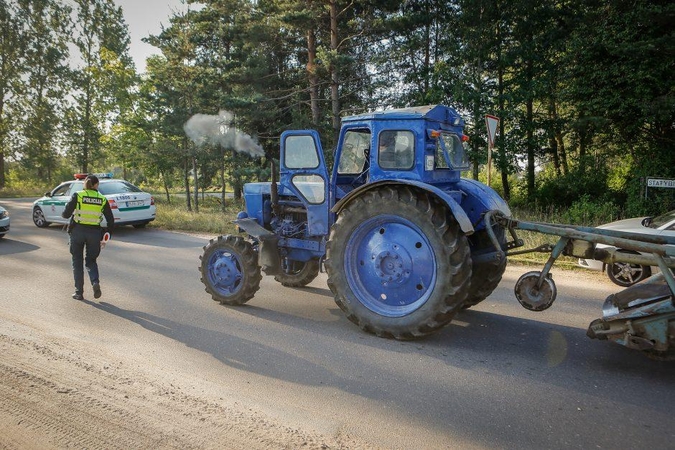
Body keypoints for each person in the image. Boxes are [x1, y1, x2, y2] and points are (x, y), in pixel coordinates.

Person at [62, 174, 114, 300]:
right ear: (97, 185)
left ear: (85, 184)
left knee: (77, 261)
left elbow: (65, 214)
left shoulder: (78, 195)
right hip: (94, 234)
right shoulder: (102, 199)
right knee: (91, 261)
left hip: (77, 232)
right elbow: (110, 220)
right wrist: (106, 236)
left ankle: (79, 292)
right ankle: (95, 282)